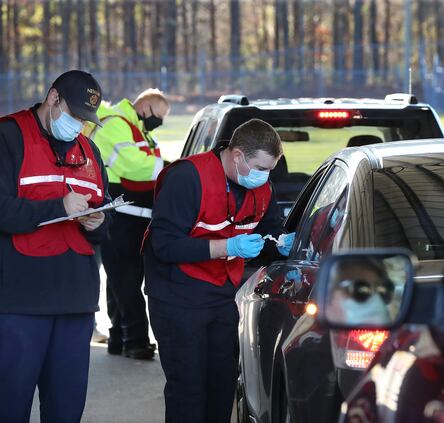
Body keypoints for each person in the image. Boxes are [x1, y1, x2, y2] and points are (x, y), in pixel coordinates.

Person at [144, 118, 295, 422]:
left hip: (222, 294)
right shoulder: (189, 177)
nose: (265, 177)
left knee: (222, 384)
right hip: (177, 295)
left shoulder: (262, 188)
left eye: (270, 170)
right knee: (188, 387)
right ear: (237, 155)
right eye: (261, 168)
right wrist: (226, 247)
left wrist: (279, 243)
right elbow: (163, 245)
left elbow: (268, 231)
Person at [0, 70, 111, 422]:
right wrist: (56, 208)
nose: (78, 125)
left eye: (85, 119)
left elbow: (105, 212)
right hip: (19, 303)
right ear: (53, 98)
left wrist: (99, 222)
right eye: (75, 115)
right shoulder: (8, 136)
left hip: (76, 302)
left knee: (66, 408)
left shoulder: (89, 150)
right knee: (9, 404)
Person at [85, 89, 169, 359]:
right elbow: (133, 167)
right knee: (127, 278)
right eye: (159, 116)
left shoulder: (137, 128)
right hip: (120, 217)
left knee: (120, 278)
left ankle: (120, 338)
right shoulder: (117, 126)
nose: (159, 122)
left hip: (132, 218)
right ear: (145, 106)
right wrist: (169, 168)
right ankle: (135, 341)